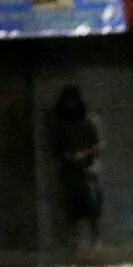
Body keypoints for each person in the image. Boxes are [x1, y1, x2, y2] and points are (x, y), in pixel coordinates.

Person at [49, 85, 103, 249]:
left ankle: (95, 241)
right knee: (72, 210)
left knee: (93, 209)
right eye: (67, 101)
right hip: (69, 173)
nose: (70, 104)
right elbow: (57, 150)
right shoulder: (60, 126)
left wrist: (84, 154)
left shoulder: (88, 122)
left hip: (88, 172)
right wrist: (69, 157)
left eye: (73, 100)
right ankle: (75, 243)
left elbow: (98, 145)